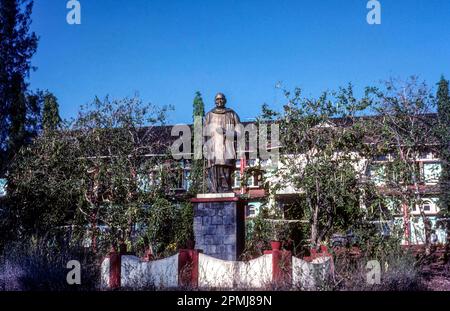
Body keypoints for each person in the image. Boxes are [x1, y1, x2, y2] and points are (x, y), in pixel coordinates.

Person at [204, 93, 242, 193]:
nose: (219, 101)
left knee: (226, 170)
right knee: (214, 170)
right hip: (213, 148)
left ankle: (225, 189)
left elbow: (239, 133)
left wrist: (227, 132)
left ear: (225, 100)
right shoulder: (209, 115)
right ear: (214, 101)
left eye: (221, 99)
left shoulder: (232, 114)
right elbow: (204, 134)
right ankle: (214, 189)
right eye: (217, 99)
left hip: (227, 148)